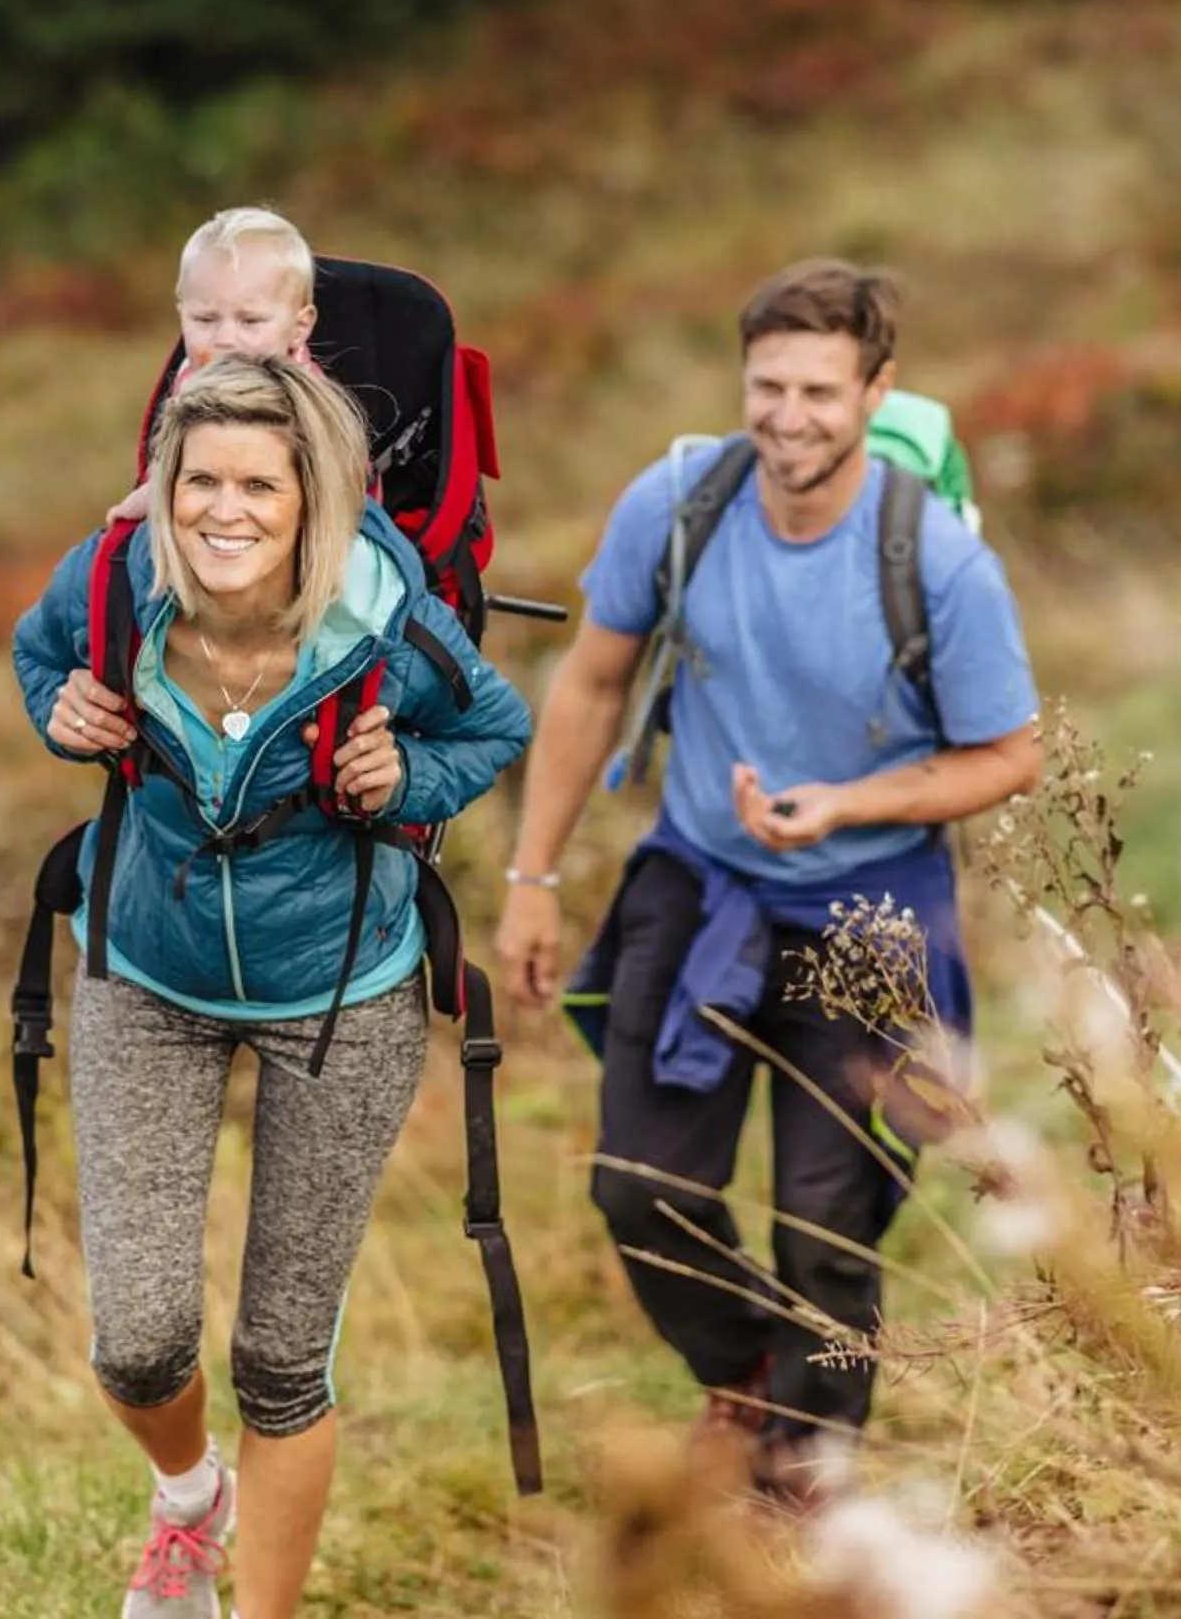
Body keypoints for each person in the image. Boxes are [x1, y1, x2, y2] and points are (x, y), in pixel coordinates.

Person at [492, 259, 1042, 1509]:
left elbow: (1010, 753)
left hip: (867, 902)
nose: (790, 415)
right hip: (700, 882)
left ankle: (807, 1488)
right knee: (640, 1188)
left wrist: (850, 802)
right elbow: (589, 682)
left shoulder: (936, 561)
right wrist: (532, 876)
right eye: (768, 385)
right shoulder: (680, 502)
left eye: (820, 390)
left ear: (876, 391)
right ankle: (746, 1369)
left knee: (826, 1231)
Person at [13, 354, 531, 1619]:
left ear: (316, 503)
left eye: (259, 483)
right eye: (199, 481)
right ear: (163, 487)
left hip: (342, 992)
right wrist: (62, 710)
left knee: (282, 1361)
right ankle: (189, 1495)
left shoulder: (387, 622)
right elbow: (37, 658)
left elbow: (494, 726)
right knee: (137, 1342)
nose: (223, 510)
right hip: (148, 972)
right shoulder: (109, 589)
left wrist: (402, 784)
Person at [106, 206, 323, 526]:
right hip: (199, 520)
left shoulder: (305, 401)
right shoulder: (191, 378)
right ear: (181, 313)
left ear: (299, 327)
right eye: (205, 319)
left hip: (285, 533)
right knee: (88, 561)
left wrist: (155, 495)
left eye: (250, 321)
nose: (225, 339)